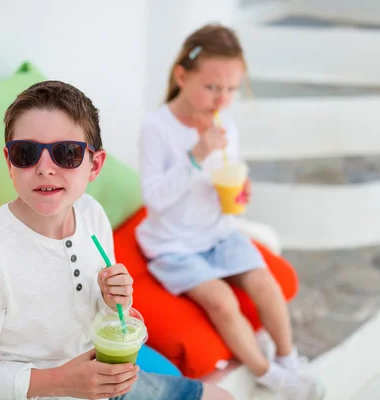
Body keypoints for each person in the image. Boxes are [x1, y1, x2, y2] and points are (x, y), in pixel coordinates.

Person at [0, 80, 232, 400]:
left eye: (67, 153)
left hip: (109, 379)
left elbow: (101, 316)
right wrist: (61, 382)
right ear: (9, 162)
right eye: (26, 153)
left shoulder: (91, 213)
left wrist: (117, 305)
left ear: (95, 165)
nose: (45, 168)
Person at [136, 24, 325, 400]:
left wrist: (241, 190)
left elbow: (226, 176)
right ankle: (268, 372)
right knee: (221, 300)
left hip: (218, 233)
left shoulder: (227, 126)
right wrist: (196, 156)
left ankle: (288, 359)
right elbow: (155, 199)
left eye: (231, 89)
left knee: (265, 283)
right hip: (172, 244)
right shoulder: (156, 127)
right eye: (212, 87)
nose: (222, 99)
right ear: (182, 76)